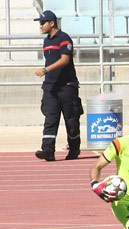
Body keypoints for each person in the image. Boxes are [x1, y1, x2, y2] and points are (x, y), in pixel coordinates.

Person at [34, 10, 83, 162]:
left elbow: (64, 60)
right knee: (50, 118)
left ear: (52, 23)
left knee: (71, 120)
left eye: (43, 23)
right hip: (51, 86)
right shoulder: (46, 41)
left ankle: (74, 149)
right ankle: (48, 150)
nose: (41, 26)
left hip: (67, 86)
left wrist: (46, 70)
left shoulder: (64, 38)